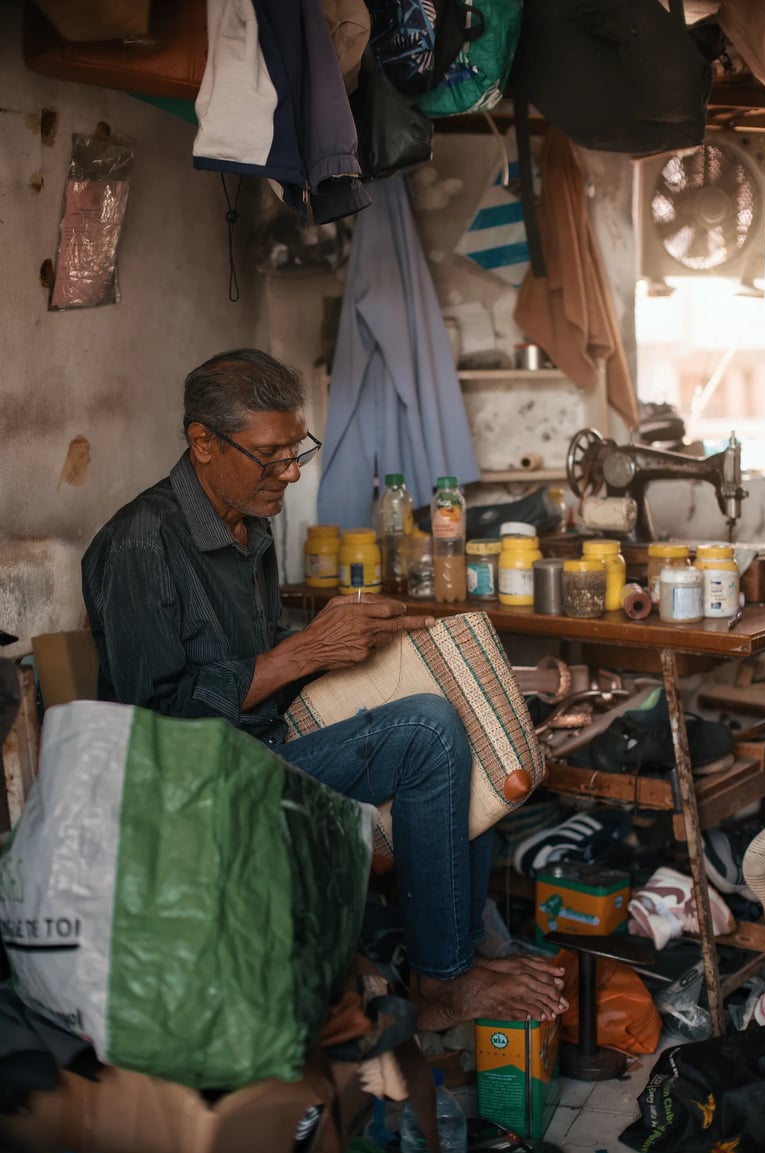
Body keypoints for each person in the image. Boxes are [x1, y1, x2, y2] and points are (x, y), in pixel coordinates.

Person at [82, 348, 568, 1030]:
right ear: (202, 442)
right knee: (427, 729)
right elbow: (150, 726)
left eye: (296, 449)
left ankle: (455, 953)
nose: (291, 471)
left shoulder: (250, 521)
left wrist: (353, 647)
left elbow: (262, 658)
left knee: (451, 701)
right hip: (190, 787)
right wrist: (303, 652)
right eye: (270, 455)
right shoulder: (141, 543)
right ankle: (443, 981)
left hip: (264, 748)